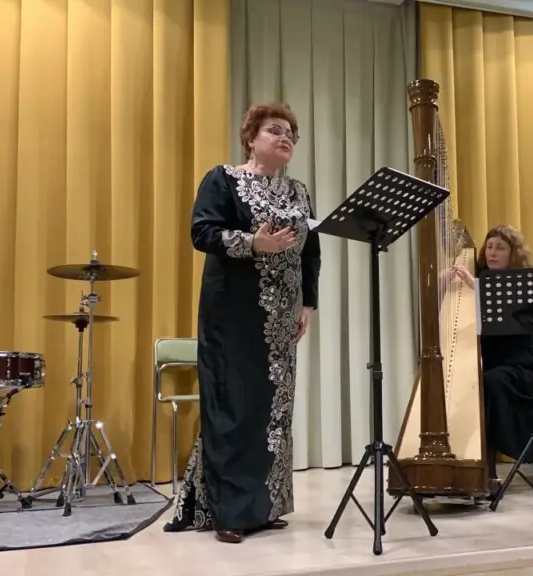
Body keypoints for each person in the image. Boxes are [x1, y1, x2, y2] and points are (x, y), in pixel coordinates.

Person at [164, 102, 321, 544]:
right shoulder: (223, 179)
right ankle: (229, 511)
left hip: (281, 318)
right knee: (233, 408)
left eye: (291, 133)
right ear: (251, 138)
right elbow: (202, 232)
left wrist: (307, 304)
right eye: (275, 130)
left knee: (273, 411)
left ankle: (263, 507)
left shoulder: (299, 192)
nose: (285, 137)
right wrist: (254, 243)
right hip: (231, 314)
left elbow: (311, 251)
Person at [450, 224, 533, 494]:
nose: (492, 252)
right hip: (488, 364)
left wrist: (476, 287)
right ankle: (459, 464)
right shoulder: (478, 279)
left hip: (516, 367)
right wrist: (441, 281)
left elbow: (507, 315)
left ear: (513, 254)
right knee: (470, 382)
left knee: (490, 383)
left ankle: (489, 470)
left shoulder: (521, 285)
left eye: (500, 248)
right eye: (489, 246)